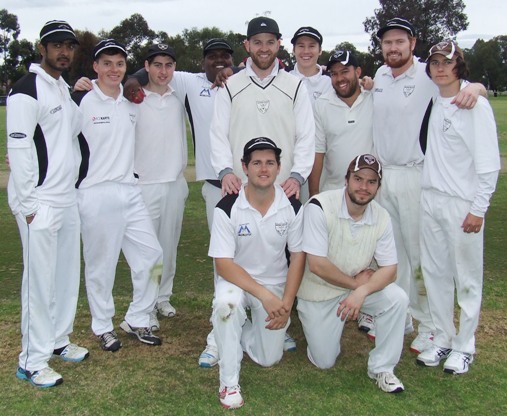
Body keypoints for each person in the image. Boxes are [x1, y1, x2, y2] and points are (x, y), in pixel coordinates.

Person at [370, 17, 486, 353]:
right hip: (384, 175)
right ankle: (400, 314)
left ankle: (431, 325)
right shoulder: (378, 76)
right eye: (387, 42)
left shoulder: (426, 73)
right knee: (393, 253)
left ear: (412, 43)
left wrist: (476, 88)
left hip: (416, 175)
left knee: (421, 255)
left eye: (399, 42)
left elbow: (460, 82)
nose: (393, 48)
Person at [8, 20, 89, 388]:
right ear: (42, 48)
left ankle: (58, 340)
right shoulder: (26, 89)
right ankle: (31, 359)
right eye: (56, 45)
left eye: (68, 46)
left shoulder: (63, 88)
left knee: (65, 275)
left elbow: (71, 139)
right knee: (39, 282)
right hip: (39, 201)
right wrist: (28, 203)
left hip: (66, 197)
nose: (63, 51)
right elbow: (20, 147)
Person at [415, 41, 500, 374]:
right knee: (434, 274)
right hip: (431, 199)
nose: (439, 67)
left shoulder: (474, 105)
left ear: (459, 66)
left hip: (461, 203)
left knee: (466, 276)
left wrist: (479, 208)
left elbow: (489, 164)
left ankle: (466, 344)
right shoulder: (435, 99)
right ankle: (443, 338)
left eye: (446, 62)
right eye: (435, 62)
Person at [73, 39, 163, 351]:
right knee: (101, 265)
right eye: (107, 63)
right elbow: (55, 134)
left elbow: (147, 73)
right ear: (95, 67)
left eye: (120, 64)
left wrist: (133, 79)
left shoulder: (130, 101)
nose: (114, 69)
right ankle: (102, 326)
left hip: (130, 190)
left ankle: (137, 317)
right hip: (96, 193)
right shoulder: (82, 100)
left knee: (153, 257)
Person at [297, 154, 408, 393]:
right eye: (358, 179)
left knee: (397, 298)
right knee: (324, 360)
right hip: (319, 291)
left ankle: (383, 368)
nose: (364, 187)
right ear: (346, 179)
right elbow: (317, 264)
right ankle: (321, 331)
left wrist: (362, 290)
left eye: (371, 182)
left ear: (378, 186)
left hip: (356, 288)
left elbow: (390, 269)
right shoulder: (319, 206)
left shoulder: (381, 216)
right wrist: (354, 284)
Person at [209, 137, 305, 409]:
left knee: (268, 359)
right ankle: (228, 382)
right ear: (244, 167)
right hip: (235, 282)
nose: (264, 169)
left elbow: (298, 257)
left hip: (274, 285)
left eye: (270, 163)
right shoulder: (227, 207)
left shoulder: (293, 207)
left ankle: (230, 332)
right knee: (227, 305)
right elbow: (223, 264)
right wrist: (264, 296)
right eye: (257, 163)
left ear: (278, 167)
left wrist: (286, 304)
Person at [210, 16, 315, 201]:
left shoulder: (296, 85)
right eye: (257, 42)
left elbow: (306, 136)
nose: (264, 48)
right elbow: (218, 134)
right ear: (247, 45)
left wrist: (297, 175)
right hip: (240, 188)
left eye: (270, 42)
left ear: (278, 44)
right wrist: (225, 172)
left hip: (285, 188)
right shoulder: (229, 85)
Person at [134, 44, 189, 328]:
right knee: (148, 251)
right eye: (158, 65)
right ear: (147, 66)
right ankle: (145, 303)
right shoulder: (133, 97)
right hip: (145, 185)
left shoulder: (178, 97)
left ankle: (162, 296)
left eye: (169, 65)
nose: (163, 71)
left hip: (174, 184)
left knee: (169, 247)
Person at [307, 50, 375, 197]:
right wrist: (314, 195)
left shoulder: (373, 98)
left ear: (358, 72)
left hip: (370, 192)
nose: (339, 79)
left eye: (345, 72)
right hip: (334, 191)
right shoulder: (321, 105)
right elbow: (318, 152)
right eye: (334, 74)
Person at [289, 26, 332, 108]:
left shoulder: (330, 81)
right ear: (293, 50)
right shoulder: (281, 76)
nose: (306, 51)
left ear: (320, 50)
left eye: (311, 46)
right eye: (301, 46)